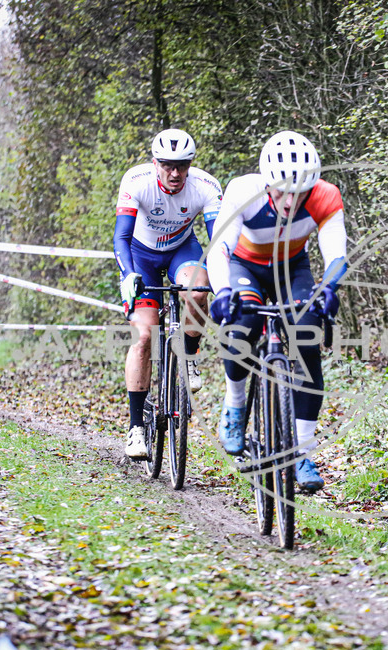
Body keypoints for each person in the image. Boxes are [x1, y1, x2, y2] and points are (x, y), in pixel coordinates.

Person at [207, 130, 348, 493]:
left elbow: (335, 255)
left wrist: (328, 288)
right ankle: (236, 406)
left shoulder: (326, 196)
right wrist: (223, 292)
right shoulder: (243, 191)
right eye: (281, 191)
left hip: (292, 268)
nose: (289, 201)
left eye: (298, 193)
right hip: (244, 267)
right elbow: (219, 249)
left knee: (307, 340)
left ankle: (302, 454)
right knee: (241, 327)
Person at [114, 128, 222, 459]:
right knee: (144, 336)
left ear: (190, 164)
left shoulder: (205, 186)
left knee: (199, 289)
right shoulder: (136, 181)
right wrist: (128, 273)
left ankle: (188, 355)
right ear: (155, 162)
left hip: (181, 251)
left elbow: (217, 241)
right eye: (166, 165)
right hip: (141, 255)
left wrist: (224, 278)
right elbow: (121, 237)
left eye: (182, 165)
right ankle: (135, 428)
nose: (174, 173)